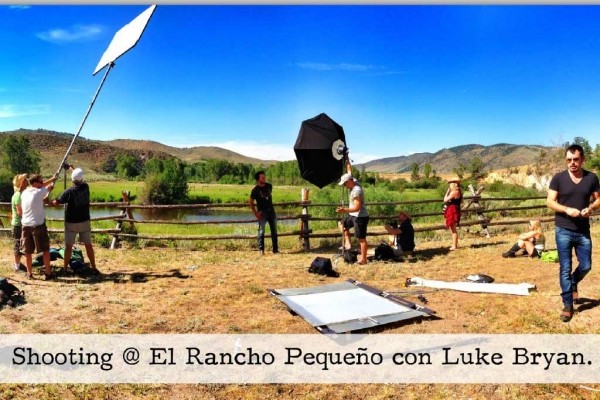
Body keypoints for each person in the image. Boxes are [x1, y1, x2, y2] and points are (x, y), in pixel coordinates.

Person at [546, 144, 600, 322]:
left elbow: (598, 199)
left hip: (583, 230)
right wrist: (567, 210)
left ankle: (573, 283)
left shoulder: (591, 178)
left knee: (586, 266)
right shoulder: (558, 178)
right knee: (565, 268)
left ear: (582, 159)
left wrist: (590, 208)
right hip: (563, 229)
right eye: (569, 160)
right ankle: (567, 304)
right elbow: (550, 202)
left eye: (576, 159)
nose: (572, 163)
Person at [51, 167, 99, 274]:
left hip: (71, 223)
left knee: (68, 247)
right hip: (84, 221)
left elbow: (56, 203)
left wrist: (47, 199)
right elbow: (79, 178)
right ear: (82, 179)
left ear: (72, 180)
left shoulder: (68, 192)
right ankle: (94, 267)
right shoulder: (86, 187)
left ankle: (65, 268)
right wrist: (71, 168)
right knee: (88, 245)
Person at [21, 173, 59, 280]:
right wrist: (51, 184)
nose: (43, 182)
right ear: (36, 183)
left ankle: (29, 273)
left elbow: (42, 186)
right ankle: (48, 273)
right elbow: (48, 187)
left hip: (25, 226)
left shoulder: (25, 192)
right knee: (46, 250)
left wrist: (52, 178)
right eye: (41, 181)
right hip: (38, 226)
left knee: (28, 252)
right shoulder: (39, 192)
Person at [336, 156, 369, 264]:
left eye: (345, 183)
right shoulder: (353, 181)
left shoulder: (356, 191)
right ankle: (348, 244)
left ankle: (364, 259)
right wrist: (347, 159)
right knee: (342, 224)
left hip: (360, 216)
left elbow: (357, 207)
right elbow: (349, 170)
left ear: (349, 182)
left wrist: (344, 210)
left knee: (361, 238)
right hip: (354, 215)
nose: (344, 186)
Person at [249, 171, 278, 255]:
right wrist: (256, 214)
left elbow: (268, 197)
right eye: (262, 177)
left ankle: (275, 250)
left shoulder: (269, 186)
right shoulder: (255, 190)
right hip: (262, 213)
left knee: (274, 231)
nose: (264, 178)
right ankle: (261, 250)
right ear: (258, 179)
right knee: (261, 231)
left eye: (264, 177)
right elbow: (251, 202)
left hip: (271, 211)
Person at [10, 174, 28, 273]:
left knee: (21, 244)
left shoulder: (23, 193)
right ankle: (17, 266)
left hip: (21, 224)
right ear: (21, 183)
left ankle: (19, 265)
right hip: (18, 225)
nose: (27, 181)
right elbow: (20, 212)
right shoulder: (18, 195)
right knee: (17, 245)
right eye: (25, 180)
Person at [443, 177, 463, 251]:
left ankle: (454, 245)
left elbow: (445, 200)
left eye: (450, 183)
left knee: (453, 229)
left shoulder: (454, 192)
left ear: (453, 184)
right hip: (454, 210)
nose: (449, 185)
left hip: (452, 210)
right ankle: (454, 245)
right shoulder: (459, 191)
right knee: (453, 229)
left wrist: (447, 192)